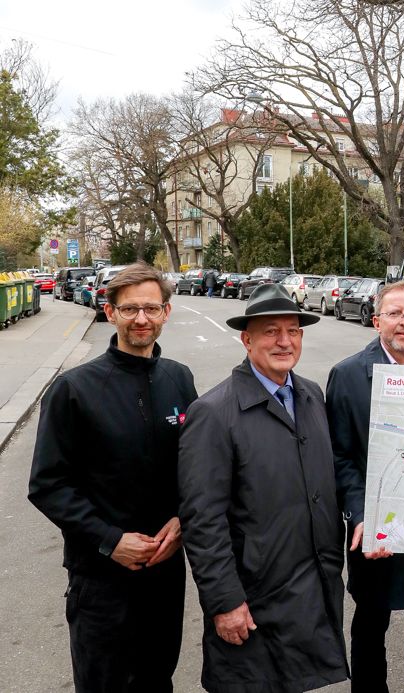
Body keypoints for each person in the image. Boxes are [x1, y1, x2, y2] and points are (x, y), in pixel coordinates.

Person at [28, 262, 197, 692]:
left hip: (164, 572)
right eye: (130, 309)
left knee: (158, 679)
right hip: (102, 577)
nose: (141, 319)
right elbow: (48, 485)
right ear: (111, 313)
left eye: (151, 308)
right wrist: (110, 540)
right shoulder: (73, 390)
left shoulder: (179, 379)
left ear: (166, 313)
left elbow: (194, 467)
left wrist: (182, 521)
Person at [177, 283, 348, 693]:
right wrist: (224, 602)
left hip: (309, 584)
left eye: (293, 331)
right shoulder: (214, 413)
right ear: (247, 338)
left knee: (297, 680)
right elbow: (203, 520)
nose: (284, 341)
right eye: (271, 331)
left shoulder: (309, 395)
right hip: (253, 596)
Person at [326, 280, 404, 693]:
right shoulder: (347, 376)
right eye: (396, 313)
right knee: (371, 619)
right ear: (377, 319)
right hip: (375, 521)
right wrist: (360, 513)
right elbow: (340, 456)